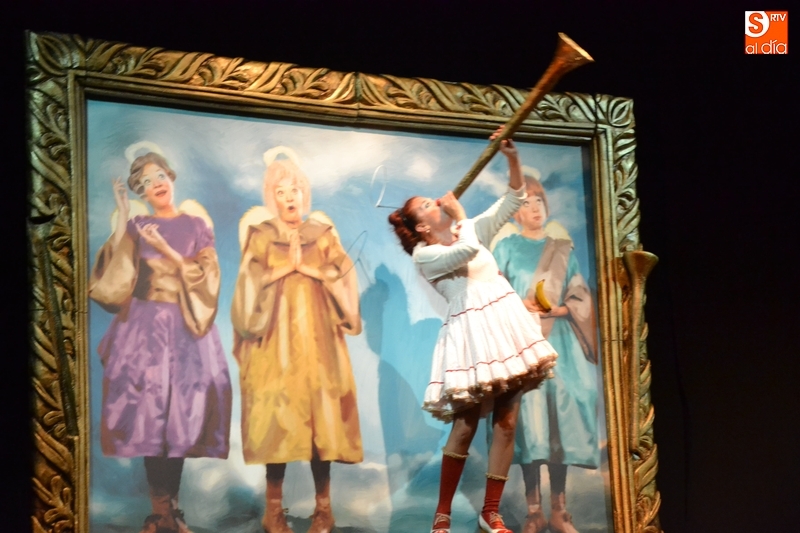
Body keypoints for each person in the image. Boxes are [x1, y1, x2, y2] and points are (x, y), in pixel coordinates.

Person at [387, 129, 558, 533]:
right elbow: (466, 250)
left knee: (507, 420)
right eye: (426, 205)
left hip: (505, 326)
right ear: (422, 227)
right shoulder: (426, 254)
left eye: (432, 200)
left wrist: (511, 158)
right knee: (465, 426)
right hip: (471, 336)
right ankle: (442, 513)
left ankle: (490, 512)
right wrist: (462, 216)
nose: (435, 203)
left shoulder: (470, 228)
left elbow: (512, 200)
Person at [89, 151, 232, 533]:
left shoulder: (196, 225)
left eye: (160, 176)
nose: (156, 184)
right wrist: (124, 216)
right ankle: (160, 512)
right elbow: (115, 274)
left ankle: (172, 510)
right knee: (150, 418)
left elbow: (207, 275)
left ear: (171, 177)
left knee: (179, 419)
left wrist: (168, 251)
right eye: (146, 182)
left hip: (185, 328)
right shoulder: (136, 226)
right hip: (144, 330)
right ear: (141, 192)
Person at [231, 152, 363, 533]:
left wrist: (309, 269)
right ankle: (273, 510)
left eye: (295, 189)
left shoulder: (322, 235)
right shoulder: (261, 237)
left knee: (322, 424)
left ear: (305, 193)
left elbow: (345, 277)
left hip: (319, 345)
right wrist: (281, 271)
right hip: (275, 346)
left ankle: (324, 509)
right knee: (278, 423)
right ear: (271, 197)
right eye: (281, 191)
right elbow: (246, 289)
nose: (289, 197)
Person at [491, 174, 599, 533]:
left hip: (560, 345)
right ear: (515, 213)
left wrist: (559, 309)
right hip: (523, 343)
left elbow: (580, 295)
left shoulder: (562, 248)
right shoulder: (506, 248)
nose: (535, 208)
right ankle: (534, 510)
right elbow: (493, 293)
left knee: (559, 422)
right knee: (529, 423)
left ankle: (559, 511)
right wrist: (518, 305)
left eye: (539, 201)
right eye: (526, 203)